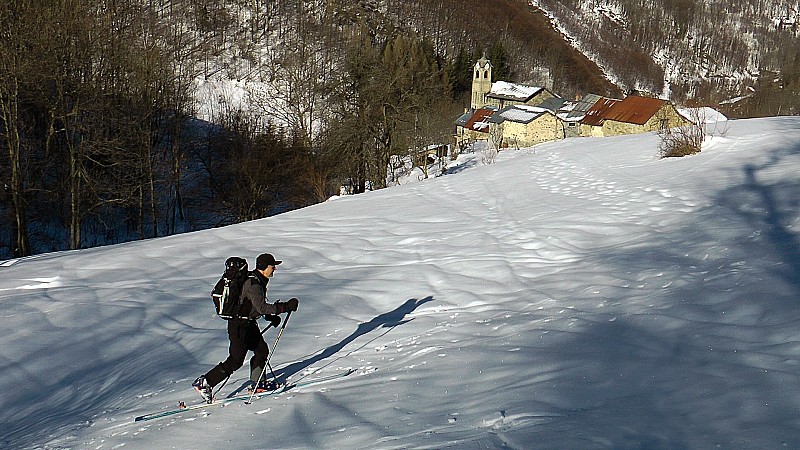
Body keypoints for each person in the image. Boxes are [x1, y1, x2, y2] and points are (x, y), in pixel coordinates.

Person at [193, 253, 299, 402]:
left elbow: (251, 305)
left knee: (261, 350)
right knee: (235, 361)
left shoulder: (258, 280)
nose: (274, 268)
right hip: (239, 326)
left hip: (248, 323)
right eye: (272, 266)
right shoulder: (254, 284)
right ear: (263, 267)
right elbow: (261, 307)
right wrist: (284, 307)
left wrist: (270, 317)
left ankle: (258, 384)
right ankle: (205, 382)